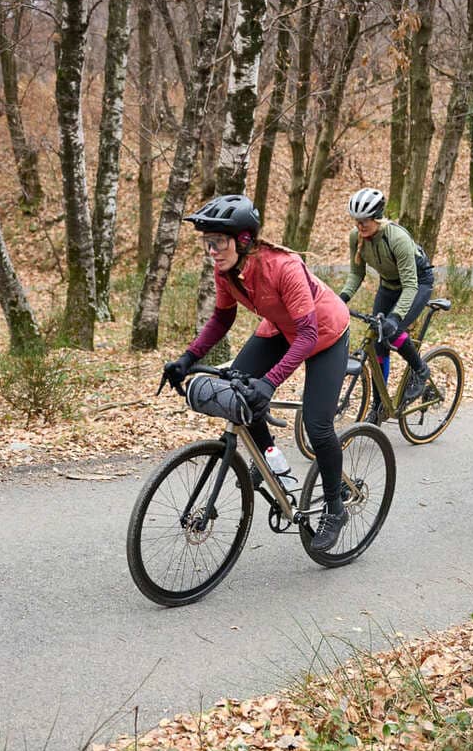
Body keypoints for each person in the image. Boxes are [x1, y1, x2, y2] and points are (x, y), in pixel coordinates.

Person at [162, 194, 353, 551]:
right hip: (280, 328)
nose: (212, 251)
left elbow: (309, 334)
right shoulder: (227, 271)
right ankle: (274, 463)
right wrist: (186, 359)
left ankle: (334, 507)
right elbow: (222, 317)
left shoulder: (284, 267)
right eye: (207, 244)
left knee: (318, 424)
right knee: (237, 395)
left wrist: (269, 382)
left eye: (217, 242)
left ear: (244, 239)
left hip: (324, 333)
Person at [337, 187, 435, 407]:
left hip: (418, 284)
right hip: (389, 286)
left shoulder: (397, 238)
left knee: (392, 331)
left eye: (364, 221)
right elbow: (356, 273)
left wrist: (395, 317)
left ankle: (420, 370)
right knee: (378, 343)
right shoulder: (356, 236)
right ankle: (380, 405)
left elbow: (410, 285)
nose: (359, 226)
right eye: (356, 221)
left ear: (377, 218)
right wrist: (341, 298)